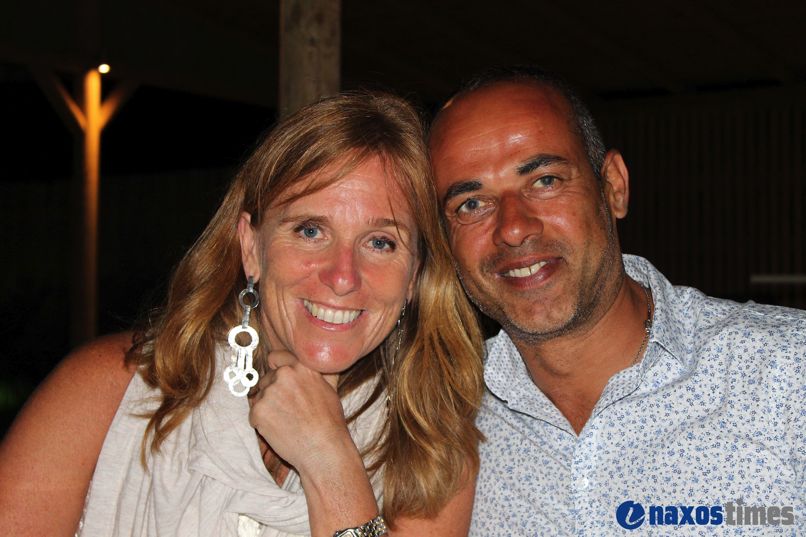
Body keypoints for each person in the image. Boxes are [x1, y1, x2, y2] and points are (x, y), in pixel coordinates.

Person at [0, 91, 485, 537]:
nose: (342, 277)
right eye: (310, 231)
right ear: (251, 247)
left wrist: (331, 462)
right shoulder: (108, 391)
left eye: (380, 242)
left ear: (415, 273)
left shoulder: (432, 448)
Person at [428, 67, 805, 535]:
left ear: (613, 187)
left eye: (545, 180)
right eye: (470, 204)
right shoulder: (440, 414)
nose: (513, 228)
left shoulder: (789, 373)